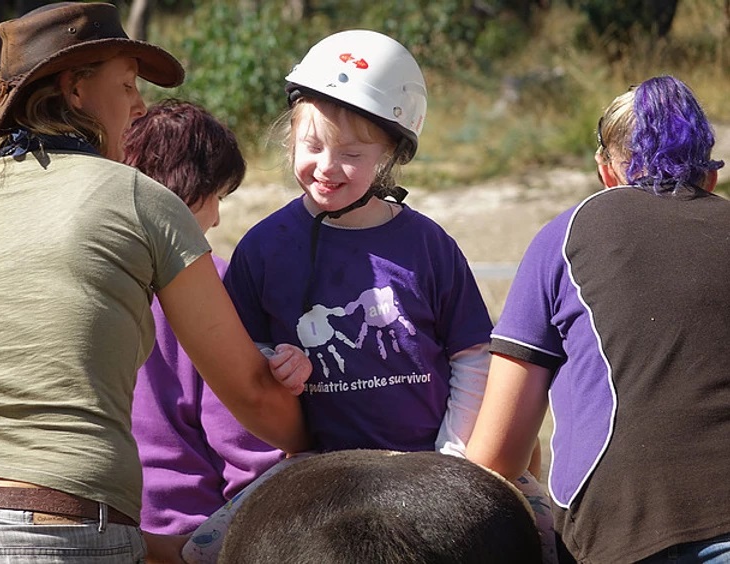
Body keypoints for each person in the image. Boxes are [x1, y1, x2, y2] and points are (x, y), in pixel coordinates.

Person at [0, 3, 309, 562]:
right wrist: (321, 448)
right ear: (76, 90)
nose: (140, 104)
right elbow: (251, 394)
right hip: (59, 528)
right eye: (129, 84)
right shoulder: (139, 200)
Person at [181, 28, 553, 563]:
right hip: (318, 464)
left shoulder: (428, 245)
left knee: (548, 540)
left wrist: (454, 457)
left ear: (391, 155)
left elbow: (472, 356)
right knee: (199, 554)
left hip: (432, 452)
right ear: (290, 138)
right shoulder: (263, 248)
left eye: (352, 154)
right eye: (311, 146)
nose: (327, 168)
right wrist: (273, 362)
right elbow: (243, 349)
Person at [465, 75, 730, 563]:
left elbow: (495, 456)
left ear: (607, 173)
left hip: (626, 529)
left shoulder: (565, 236)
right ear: (709, 176)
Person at [121, 99, 285, 560]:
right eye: (216, 196)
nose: (216, 217)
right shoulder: (210, 282)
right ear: (186, 193)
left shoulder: (97, 275)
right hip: (187, 536)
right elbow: (246, 449)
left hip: (96, 523)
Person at [219, 449, 543, 564]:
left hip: (313, 449)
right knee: (556, 536)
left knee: (193, 550)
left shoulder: (256, 294)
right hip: (451, 456)